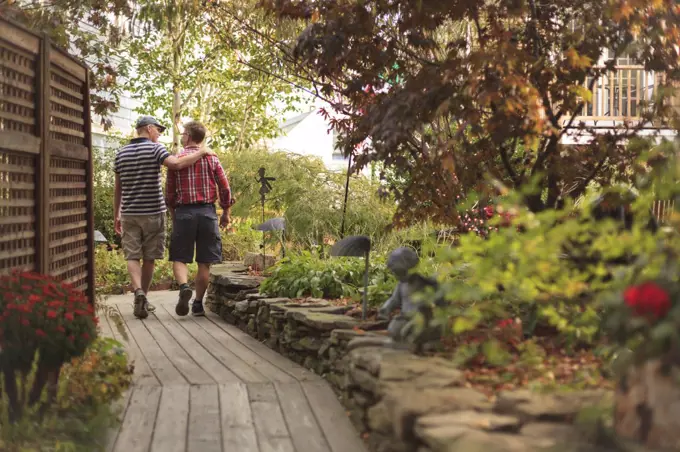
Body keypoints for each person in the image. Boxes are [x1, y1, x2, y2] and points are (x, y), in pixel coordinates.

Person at [114, 116, 214, 320]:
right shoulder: (155, 149)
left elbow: (118, 187)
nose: (159, 134)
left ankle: (138, 294)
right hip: (153, 212)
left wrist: (117, 212)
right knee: (149, 257)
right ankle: (144, 295)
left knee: (132, 256)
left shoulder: (121, 153)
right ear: (148, 129)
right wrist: (202, 151)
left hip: (129, 213)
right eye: (158, 130)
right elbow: (176, 165)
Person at [166, 120, 233, 317]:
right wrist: (226, 212)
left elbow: (169, 192)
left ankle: (184, 287)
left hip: (184, 212)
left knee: (179, 257)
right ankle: (197, 304)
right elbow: (225, 188)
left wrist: (173, 212)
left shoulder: (176, 159)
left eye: (183, 134)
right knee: (204, 262)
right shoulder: (212, 158)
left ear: (189, 136)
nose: (182, 137)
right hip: (207, 214)